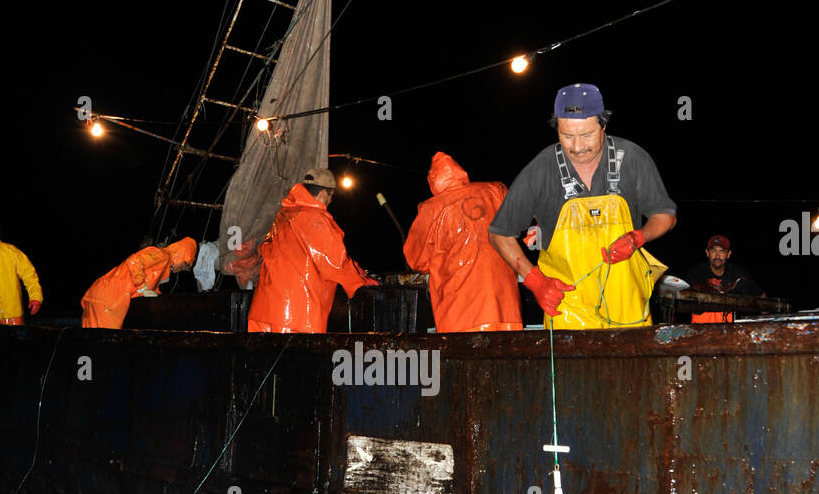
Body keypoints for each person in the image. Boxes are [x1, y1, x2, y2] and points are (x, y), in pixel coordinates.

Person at [488, 83, 677, 328]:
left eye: (586, 134)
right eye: (567, 136)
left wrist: (638, 237)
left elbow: (665, 215)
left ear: (603, 126)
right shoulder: (541, 168)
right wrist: (535, 281)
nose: (577, 147)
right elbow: (499, 233)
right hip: (566, 310)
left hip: (628, 307)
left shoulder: (632, 158)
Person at [403, 151, 522, 332]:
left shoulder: (430, 208)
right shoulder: (495, 190)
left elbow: (416, 259)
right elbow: (521, 218)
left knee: (467, 357)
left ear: (432, 180)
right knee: (506, 356)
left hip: (461, 315)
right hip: (507, 310)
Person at [248, 167, 377, 333]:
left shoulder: (282, 216)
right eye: (332, 196)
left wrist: (356, 270)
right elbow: (334, 263)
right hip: (297, 318)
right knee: (296, 359)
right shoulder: (315, 218)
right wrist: (360, 282)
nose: (330, 201)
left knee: (262, 358)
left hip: (263, 311)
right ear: (324, 193)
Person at [81, 237, 197, 328]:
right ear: (182, 256)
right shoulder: (163, 255)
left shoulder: (163, 266)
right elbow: (134, 261)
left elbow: (150, 286)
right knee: (105, 344)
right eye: (186, 264)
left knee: (91, 345)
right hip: (108, 299)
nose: (182, 269)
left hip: (102, 296)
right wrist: (141, 287)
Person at [686, 234, 765, 323]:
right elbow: (685, 295)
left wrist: (765, 320)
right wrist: (705, 287)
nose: (717, 255)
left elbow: (761, 296)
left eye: (722, 251)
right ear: (707, 253)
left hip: (731, 329)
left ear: (728, 254)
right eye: (713, 251)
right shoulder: (696, 272)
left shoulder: (738, 273)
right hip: (700, 328)